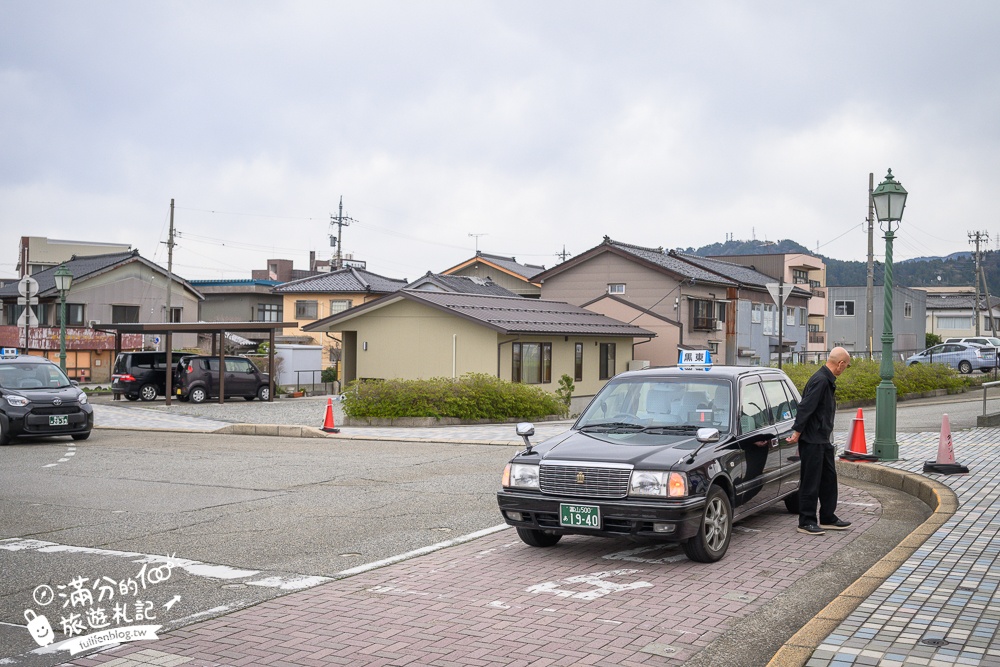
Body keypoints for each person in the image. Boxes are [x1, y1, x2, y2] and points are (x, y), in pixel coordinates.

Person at [787, 347, 853, 535]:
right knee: (811, 481)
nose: (845, 369)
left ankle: (827, 517)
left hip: (822, 439)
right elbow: (805, 407)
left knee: (828, 479)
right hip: (812, 439)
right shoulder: (821, 380)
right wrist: (797, 433)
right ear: (840, 364)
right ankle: (806, 521)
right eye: (846, 366)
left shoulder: (826, 380)